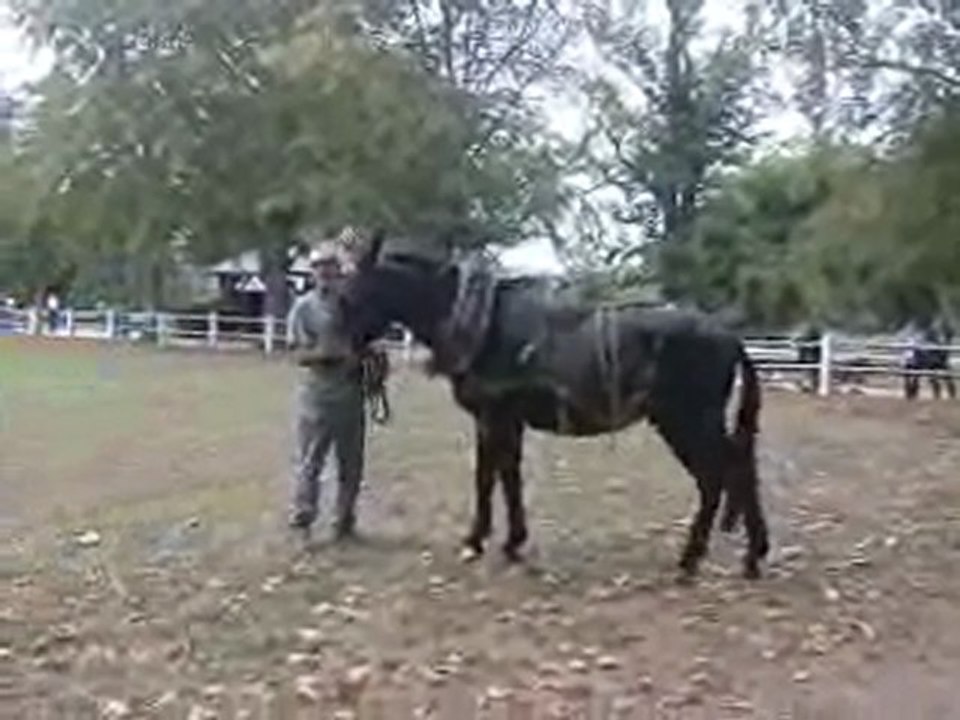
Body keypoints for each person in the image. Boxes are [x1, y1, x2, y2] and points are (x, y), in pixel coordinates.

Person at [286, 242, 367, 544]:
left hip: (351, 395)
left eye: (332, 267)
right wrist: (333, 355)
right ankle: (303, 520)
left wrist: (367, 359)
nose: (327, 273)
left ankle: (345, 522)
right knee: (311, 462)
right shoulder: (304, 308)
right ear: (313, 272)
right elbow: (298, 353)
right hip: (318, 397)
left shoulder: (352, 306)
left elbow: (367, 342)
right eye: (320, 268)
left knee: (352, 464)